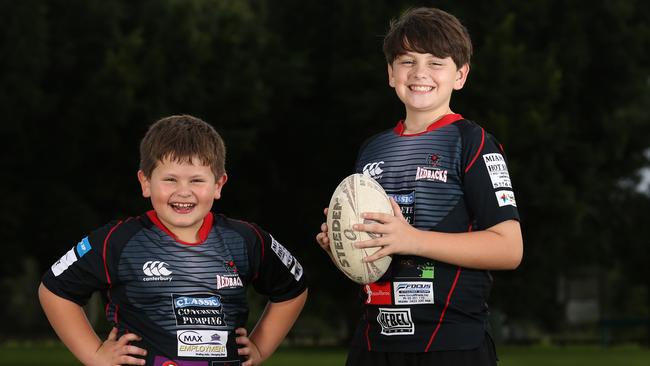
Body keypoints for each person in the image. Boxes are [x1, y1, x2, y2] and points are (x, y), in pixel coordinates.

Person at [316, 7, 522, 366]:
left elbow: (509, 248)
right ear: (391, 73)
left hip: (451, 343)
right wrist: (345, 244)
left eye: (435, 62)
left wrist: (410, 239)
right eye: (407, 61)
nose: (420, 73)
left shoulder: (472, 143)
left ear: (460, 75)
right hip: (374, 340)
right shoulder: (372, 149)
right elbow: (376, 257)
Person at [39, 115, 308, 366]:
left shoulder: (246, 240)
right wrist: (95, 355)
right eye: (170, 179)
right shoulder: (119, 241)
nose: (183, 192)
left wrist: (260, 347)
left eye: (196, 180)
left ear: (218, 185)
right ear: (145, 182)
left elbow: (292, 288)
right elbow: (55, 291)